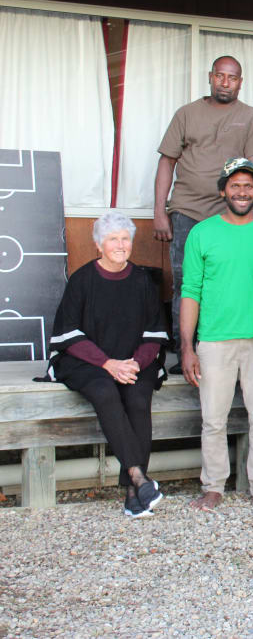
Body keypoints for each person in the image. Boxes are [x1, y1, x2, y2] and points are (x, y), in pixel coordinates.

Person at [47, 211, 168, 518]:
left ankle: (133, 492)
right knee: (104, 391)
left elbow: (154, 334)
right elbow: (68, 335)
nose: (120, 244)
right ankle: (138, 479)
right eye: (112, 239)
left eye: (125, 238)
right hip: (88, 361)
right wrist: (108, 364)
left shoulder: (142, 281)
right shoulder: (82, 280)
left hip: (133, 361)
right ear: (99, 244)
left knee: (139, 397)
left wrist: (133, 364)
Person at [179, 158, 253, 511]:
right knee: (213, 419)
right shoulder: (201, 233)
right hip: (215, 340)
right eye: (235, 185)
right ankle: (214, 486)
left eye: (249, 185)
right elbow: (190, 291)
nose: (242, 191)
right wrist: (187, 346)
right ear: (223, 190)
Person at [153, 55, 253, 364]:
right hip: (186, 211)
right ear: (211, 77)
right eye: (220, 76)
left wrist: (247, 205)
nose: (226, 82)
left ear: (241, 82)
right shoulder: (187, 114)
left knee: (229, 284)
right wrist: (160, 212)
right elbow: (167, 161)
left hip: (229, 216)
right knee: (185, 283)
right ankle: (184, 352)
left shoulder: (251, 116)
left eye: (232, 77)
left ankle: (219, 351)